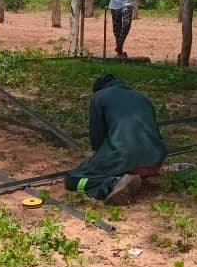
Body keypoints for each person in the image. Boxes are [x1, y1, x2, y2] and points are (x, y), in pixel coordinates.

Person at [64, 74, 167, 204]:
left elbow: (97, 141)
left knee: (73, 179)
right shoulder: (143, 98)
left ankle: (113, 184)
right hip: (155, 160)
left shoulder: (99, 97)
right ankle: (136, 176)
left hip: (126, 159)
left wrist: (99, 160)